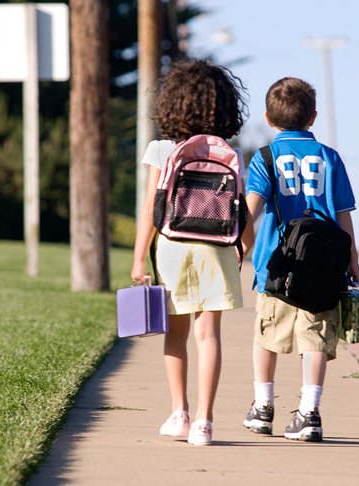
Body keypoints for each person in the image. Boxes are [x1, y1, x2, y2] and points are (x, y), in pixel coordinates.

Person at [131, 59, 247, 446]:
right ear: (224, 106)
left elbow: (151, 207)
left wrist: (137, 258)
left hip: (173, 247)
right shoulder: (228, 152)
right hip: (216, 248)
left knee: (175, 333)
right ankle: (204, 422)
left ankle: (179, 413)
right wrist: (244, 245)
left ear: (172, 104)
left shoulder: (163, 149)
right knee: (208, 334)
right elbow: (239, 208)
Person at [241, 77, 359, 442]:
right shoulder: (329, 157)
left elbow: (251, 211)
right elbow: (343, 214)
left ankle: (263, 409)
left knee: (266, 337)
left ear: (268, 117)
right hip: (325, 266)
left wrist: (240, 248)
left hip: (275, 266)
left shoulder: (264, 158)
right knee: (315, 339)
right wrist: (352, 261)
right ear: (313, 117)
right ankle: (309, 413)